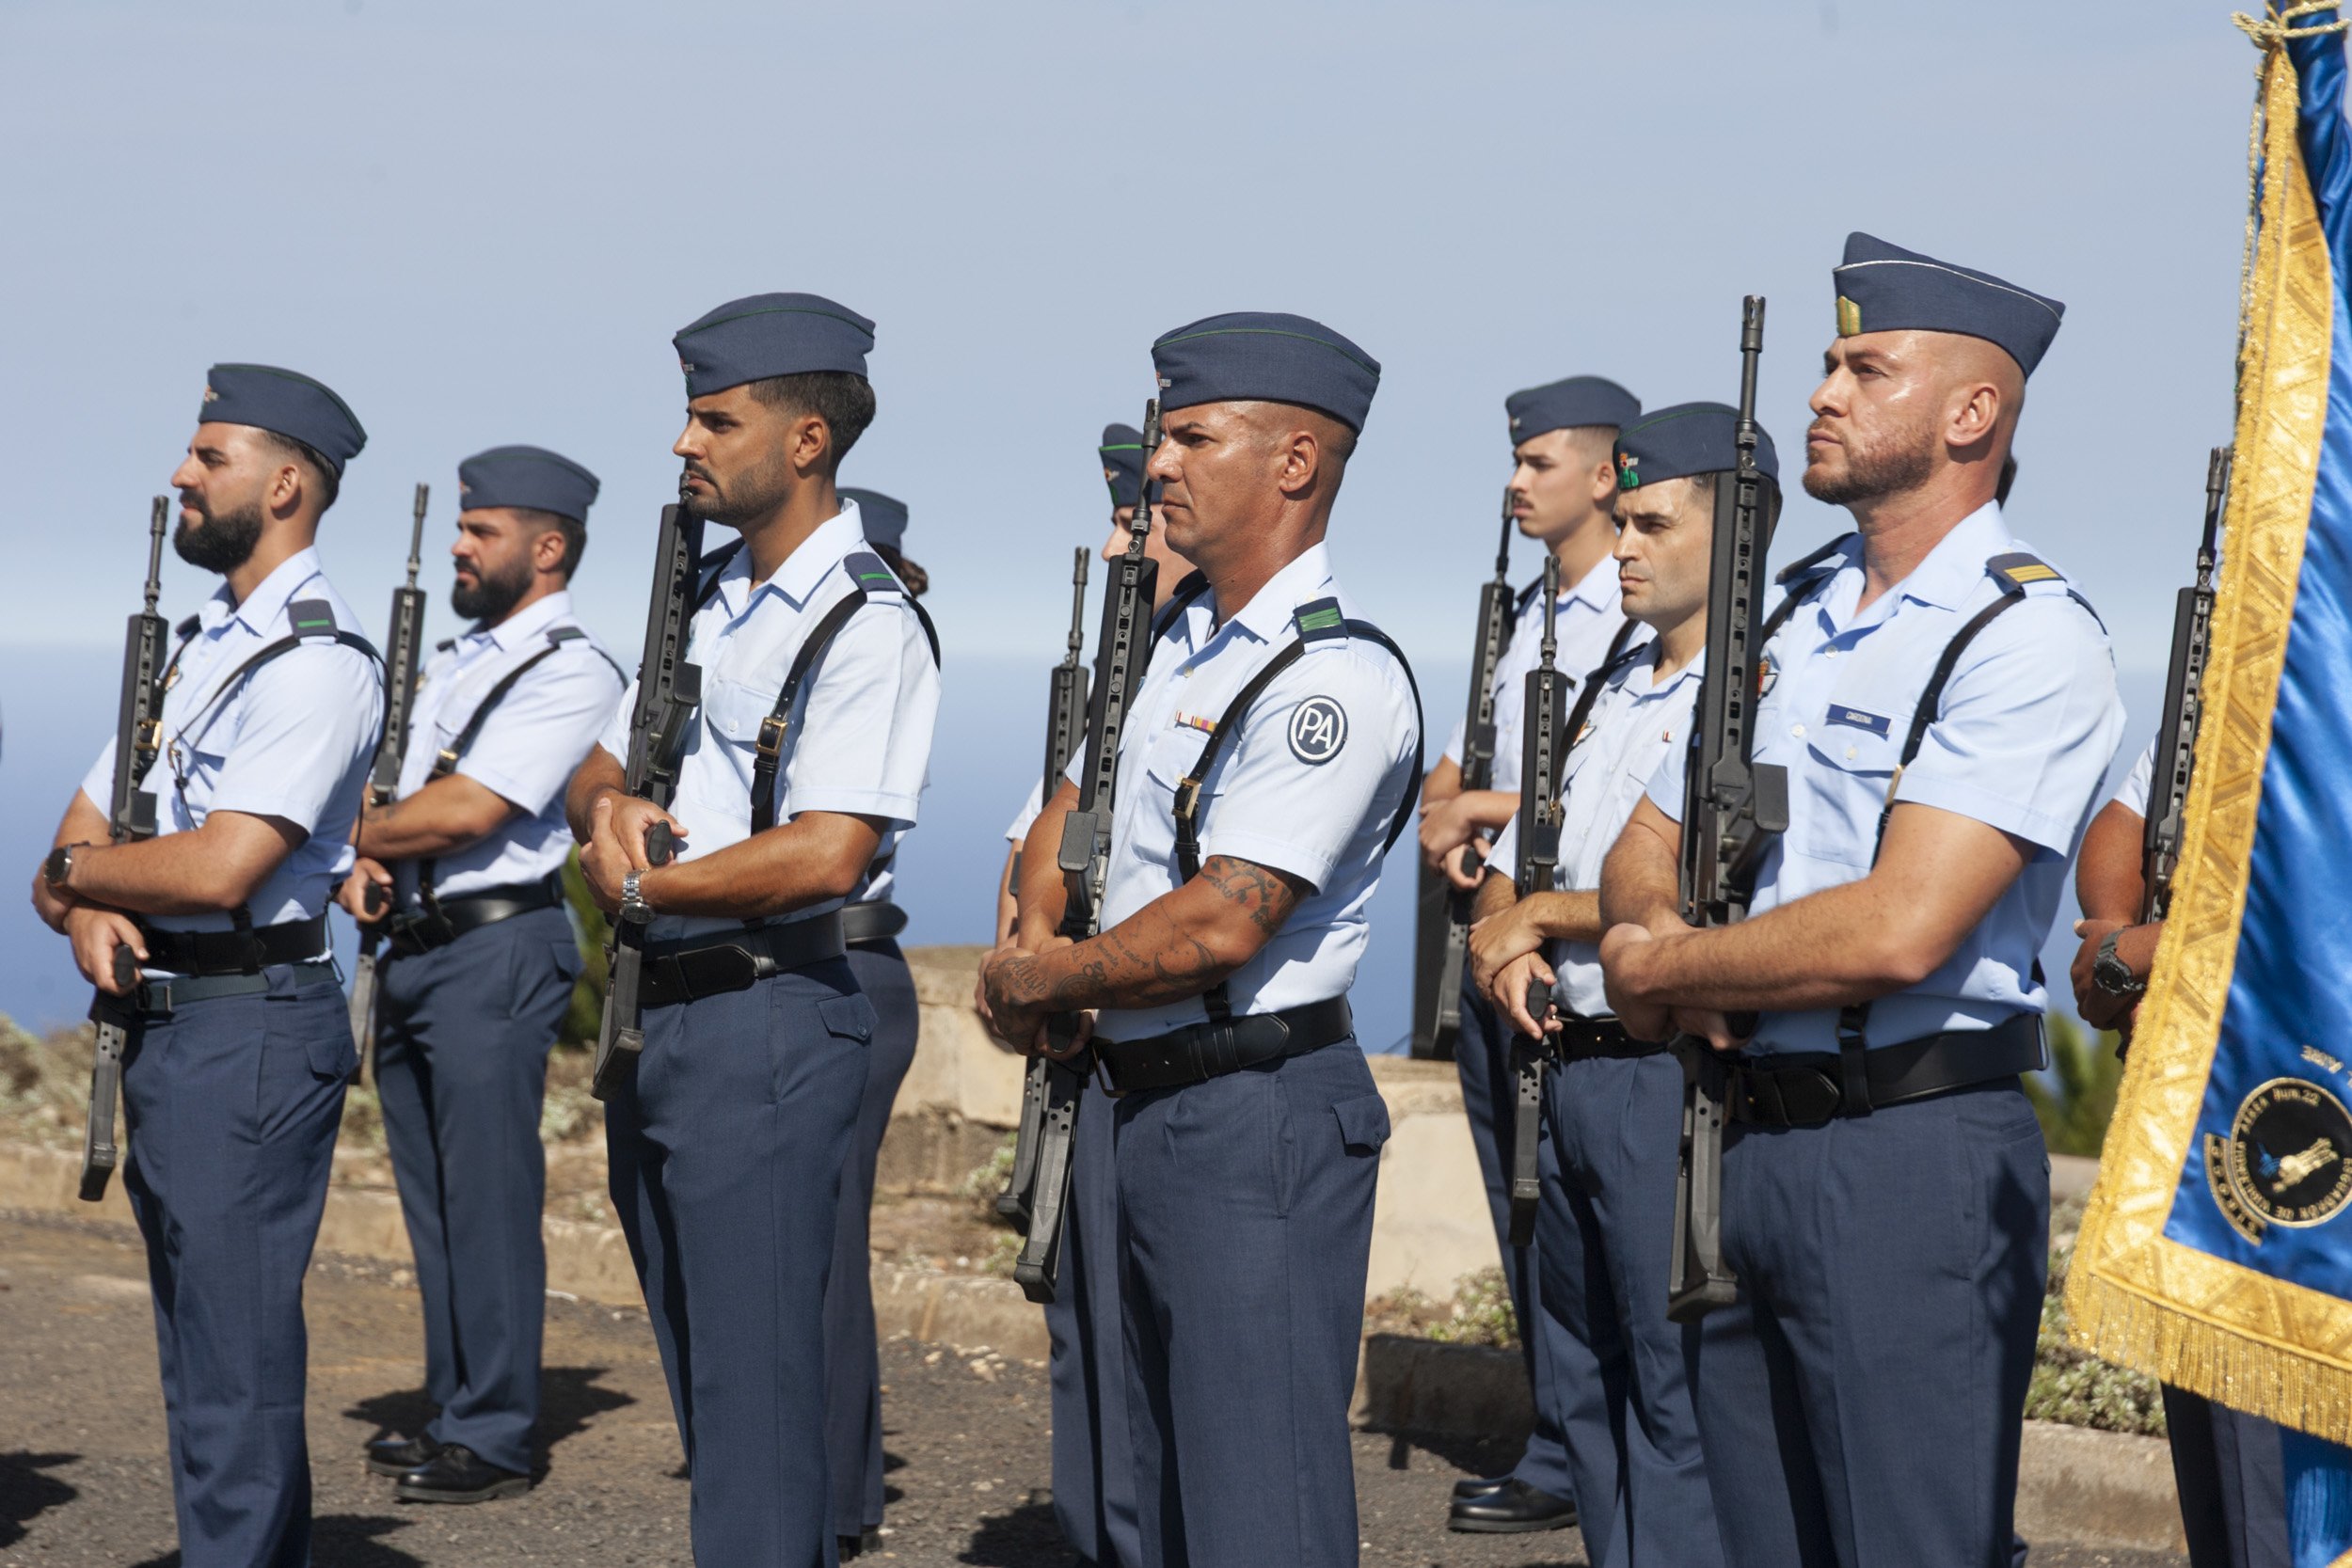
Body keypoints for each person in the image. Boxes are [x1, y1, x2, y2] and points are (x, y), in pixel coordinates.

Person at [1597, 234, 2123, 1568]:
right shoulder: (1787, 615)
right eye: (1826, 362)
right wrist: (1656, 930)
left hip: (1905, 1146)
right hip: (1742, 1131)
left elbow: (1904, 924)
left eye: (1863, 366)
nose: (1822, 392)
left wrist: (1668, 968)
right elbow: (1643, 837)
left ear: (1970, 415)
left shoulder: (2023, 633)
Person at [984, 312, 1421, 1568]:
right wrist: (1034, 934)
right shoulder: (1173, 642)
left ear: (1294, 462)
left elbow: (1228, 913)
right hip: (1128, 1096)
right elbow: (1066, 818)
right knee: (1141, 1497)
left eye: (1192, 436)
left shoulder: (1332, 675)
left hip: (1253, 1109)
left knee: (1253, 1505)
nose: (1161, 463)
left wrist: (1040, 976)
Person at [563, 292, 941, 1566]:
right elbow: (608, 765)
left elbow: (831, 848)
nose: (685, 440)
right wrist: (613, 809)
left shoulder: (867, 617)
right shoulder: (713, 594)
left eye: (715, 417)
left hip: (768, 1012)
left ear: (806, 442)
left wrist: (651, 882)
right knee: (707, 1382)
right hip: (668, 1011)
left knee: (763, 1406)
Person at [31, 364, 382, 1567]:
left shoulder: (315, 660)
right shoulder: (196, 646)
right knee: (197, 1358)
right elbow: (65, 845)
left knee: (233, 1365)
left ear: (285, 484)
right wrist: (82, 906)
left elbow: (219, 867)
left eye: (209, 456)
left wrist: (83, 879)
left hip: (250, 1020)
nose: (181, 475)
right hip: (176, 1022)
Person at [1470, 403, 1758, 1566]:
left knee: (1672, 1385)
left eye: (1651, 522)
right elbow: (1514, 862)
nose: (1623, 544)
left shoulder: (1744, 692)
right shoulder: (1609, 681)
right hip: (1565, 1063)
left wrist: (1542, 911)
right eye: (1622, 519)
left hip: (1658, 1074)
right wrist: (1506, 933)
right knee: (1580, 1375)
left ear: (1730, 538)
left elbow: (1697, 896)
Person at [337, 444, 623, 1502]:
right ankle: (454, 1404)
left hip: (494, 945)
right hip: (419, 945)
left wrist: (343, 832)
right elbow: (410, 807)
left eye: (483, 531)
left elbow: (472, 808)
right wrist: (369, 851)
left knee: (489, 1197)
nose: (461, 546)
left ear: (547, 548)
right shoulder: (455, 659)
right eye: (462, 528)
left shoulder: (571, 664)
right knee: (433, 1198)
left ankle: (495, 1433)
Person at [1420, 373, 1643, 1534]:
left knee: (1573, 1215)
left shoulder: (1636, 603)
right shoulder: (1519, 613)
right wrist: (1450, 806)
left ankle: (1579, 1449)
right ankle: (1558, 1432)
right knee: (1525, 1212)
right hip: (1494, 936)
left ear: (1606, 473)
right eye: (1514, 460)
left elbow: (1597, 772)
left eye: (1540, 461)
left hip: (1572, 951)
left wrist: (1484, 810)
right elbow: (1467, 760)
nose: (1516, 481)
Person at [980, 421, 1191, 1568]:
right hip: (1078, 1051)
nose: (1123, 540)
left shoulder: (1204, 673)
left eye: (1139, 522)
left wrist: (1051, 958)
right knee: (1081, 1333)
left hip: (1154, 1041)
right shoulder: (1127, 678)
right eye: (1121, 519)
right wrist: (1025, 948)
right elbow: (1033, 840)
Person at [2071, 745, 2291, 1568]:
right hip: (2205, 1123)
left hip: (2310, 1138)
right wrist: (2115, 937)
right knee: (2230, 1498)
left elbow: (2310, 895)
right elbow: (2126, 822)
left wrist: (2146, 951)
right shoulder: (2240, 658)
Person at [824, 485, 936, 1554]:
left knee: (818, 1244)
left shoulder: (875, 641)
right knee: (814, 1246)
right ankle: (833, 1481)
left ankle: (836, 1491)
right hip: (842, 957)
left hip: (847, 957)